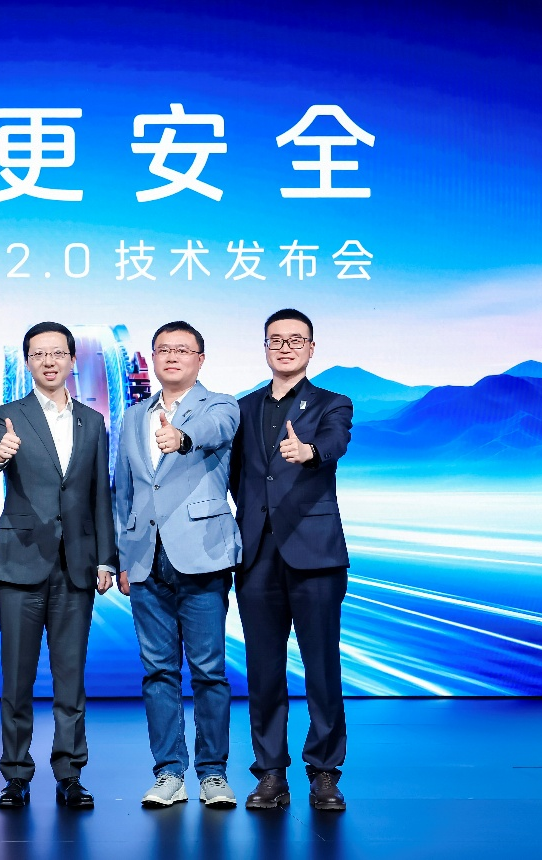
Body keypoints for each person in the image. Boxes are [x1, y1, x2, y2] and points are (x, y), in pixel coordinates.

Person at [0, 322, 118, 811]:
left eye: (58, 353)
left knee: (70, 679)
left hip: (75, 565)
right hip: (20, 561)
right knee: (16, 679)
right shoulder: (8, 415)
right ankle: (16, 775)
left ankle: (70, 774)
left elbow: (99, 493)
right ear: (27, 362)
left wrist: (106, 557)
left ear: (72, 360)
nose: (49, 361)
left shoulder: (92, 421)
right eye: (39, 354)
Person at [230, 308, 353, 812]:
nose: (285, 348)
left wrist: (311, 453)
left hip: (315, 554)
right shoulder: (241, 408)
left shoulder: (332, 403)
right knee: (263, 670)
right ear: (264, 347)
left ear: (311, 348)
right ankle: (270, 773)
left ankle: (324, 772)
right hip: (256, 553)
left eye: (295, 340)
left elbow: (336, 441)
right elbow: (235, 474)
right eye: (276, 340)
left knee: (322, 667)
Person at [114, 321, 240, 809]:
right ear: (152, 358)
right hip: (146, 560)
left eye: (182, 350)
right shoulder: (132, 417)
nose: (172, 357)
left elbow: (215, 432)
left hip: (202, 554)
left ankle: (213, 774)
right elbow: (123, 491)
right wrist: (122, 557)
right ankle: (169, 772)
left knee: (208, 671)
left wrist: (182, 437)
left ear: (200, 359)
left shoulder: (220, 405)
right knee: (158, 672)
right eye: (163, 349)